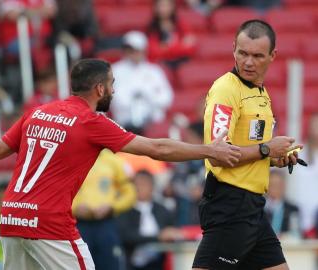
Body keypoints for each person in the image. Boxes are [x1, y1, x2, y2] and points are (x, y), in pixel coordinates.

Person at [0, 59, 241, 270]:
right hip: (49, 222)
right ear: (100, 88)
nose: (114, 89)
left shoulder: (37, 113)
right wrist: (208, 151)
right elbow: (156, 147)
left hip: (12, 216)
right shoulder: (91, 121)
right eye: (112, 84)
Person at [192, 20, 303, 270]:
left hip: (252, 206)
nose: (248, 62)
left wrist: (276, 157)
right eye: (242, 53)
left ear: (273, 56)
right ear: (233, 48)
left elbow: (248, 149)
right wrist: (266, 149)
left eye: (257, 55)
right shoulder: (225, 90)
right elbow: (218, 154)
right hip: (229, 205)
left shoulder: (260, 93)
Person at [72, 148, 136, 270]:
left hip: (106, 224)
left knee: (110, 264)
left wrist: (112, 207)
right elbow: (59, 191)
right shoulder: (71, 158)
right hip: (78, 224)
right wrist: (75, 208)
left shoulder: (115, 161)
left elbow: (130, 193)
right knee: (78, 265)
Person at [111, 31, 174, 134]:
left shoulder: (155, 71)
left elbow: (167, 97)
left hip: (153, 121)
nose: (134, 53)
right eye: (130, 50)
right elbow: (115, 99)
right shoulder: (115, 70)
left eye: (137, 50)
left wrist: (148, 97)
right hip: (124, 123)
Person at [117, 170, 181, 270]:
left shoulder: (162, 210)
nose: (139, 188)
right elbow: (126, 236)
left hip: (160, 262)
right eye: (136, 185)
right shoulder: (125, 210)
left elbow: (172, 232)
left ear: (152, 187)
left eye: (144, 184)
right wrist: (158, 237)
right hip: (133, 263)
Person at [147, 0, 197, 68]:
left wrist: (165, 48)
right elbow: (153, 53)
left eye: (167, 5)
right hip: (161, 66)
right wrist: (181, 46)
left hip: (181, 64)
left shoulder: (181, 25)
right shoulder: (151, 28)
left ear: (173, 7)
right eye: (161, 6)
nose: (164, 9)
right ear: (155, 8)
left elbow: (191, 48)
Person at [264, 170, 300, 237]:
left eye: (278, 185)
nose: (275, 189)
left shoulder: (292, 209)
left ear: (284, 186)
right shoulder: (259, 208)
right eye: (272, 185)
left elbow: (296, 234)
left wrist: (284, 236)